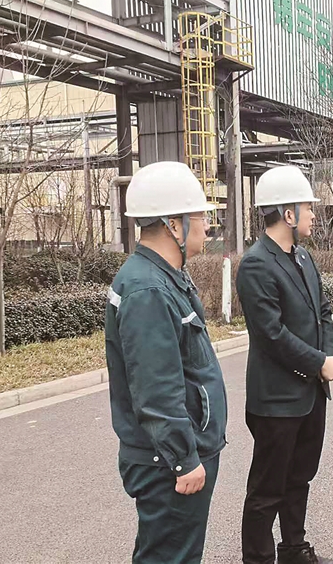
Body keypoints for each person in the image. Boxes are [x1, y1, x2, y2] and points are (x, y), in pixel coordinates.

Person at [105, 161, 227, 564]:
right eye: (200, 216)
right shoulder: (147, 289)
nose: (207, 225)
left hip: (175, 452)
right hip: (167, 462)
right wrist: (183, 459)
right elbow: (156, 389)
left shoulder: (163, 276)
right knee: (170, 558)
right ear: (174, 225)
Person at [237, 166, 333, 564]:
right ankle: (258, 559)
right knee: (267, 490)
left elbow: (323, 312)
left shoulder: (303, 256)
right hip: (277, 401)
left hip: (310, 394)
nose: (314, 213)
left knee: (299, 478)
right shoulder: (256, 264)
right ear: (287, 213)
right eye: (308, 207)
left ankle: (293, 550)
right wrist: (318, 363)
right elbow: (271, 334)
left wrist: (325, 357)